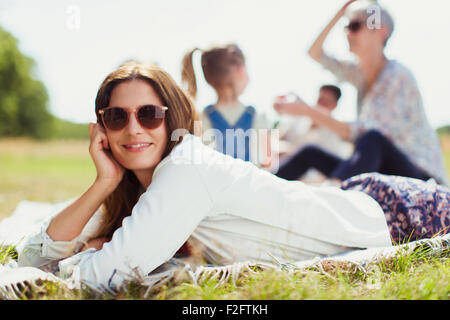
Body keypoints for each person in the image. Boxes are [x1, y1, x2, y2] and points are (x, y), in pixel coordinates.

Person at [16, 62, 449, 292]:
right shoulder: (133, 187)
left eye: (149, 115)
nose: (133, 128)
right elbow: (33, 255)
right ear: (101, 129)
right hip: (361, 199)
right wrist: (102, 184)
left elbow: (105, 276)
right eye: (116, 116)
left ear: (172, 120)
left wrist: (84, 256)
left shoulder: (186, 170)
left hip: (397, 215)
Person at [273, 0, 448, 186]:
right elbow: (315, 53)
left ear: (381, 32)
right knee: (309, 154)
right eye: (347, 26)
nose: (348, 32)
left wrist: (307, 111)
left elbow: (363, 133)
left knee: (372, 139)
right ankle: (264, 189)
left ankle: (333, 196)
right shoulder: (359, 75)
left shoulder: (397, 76)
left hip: (421, 179)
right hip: (385, 171)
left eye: (356, 25)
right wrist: (341, 11)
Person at [181, 43, 272, 167]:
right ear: (240, 71)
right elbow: (268, 161)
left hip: (216, 184)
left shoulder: (200, 118)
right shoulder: (258, 116)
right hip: (250, 184)